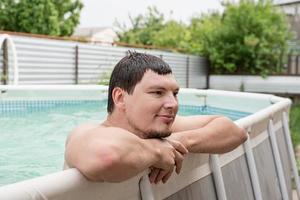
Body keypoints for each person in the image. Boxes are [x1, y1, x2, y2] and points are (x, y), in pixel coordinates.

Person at [65, 51, 247, 184]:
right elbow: (108, 155)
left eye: (174, 93)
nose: (172, 104)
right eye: (158, 93)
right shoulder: (85, 134)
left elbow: (234, 132)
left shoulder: (160, 131)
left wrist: (180, 141)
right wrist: (158, 151)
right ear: (120, 98)